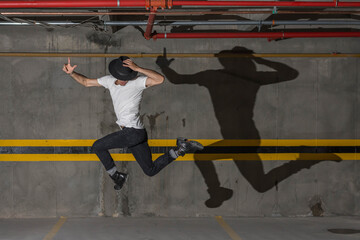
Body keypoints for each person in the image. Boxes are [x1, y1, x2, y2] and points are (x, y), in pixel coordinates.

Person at [62, 56, 203, 190]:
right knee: (150, 170)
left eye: (128, 77)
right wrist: (72, 73)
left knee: (97, 146)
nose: (125, 80)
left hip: (133, 132)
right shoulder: (109, 81)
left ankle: (116, 176)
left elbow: (160, 79)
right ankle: (180, 149)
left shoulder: (136, 82)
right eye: (123, 78)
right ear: (116, 75)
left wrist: (138, 68)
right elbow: (86, 82)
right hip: (136, 134)